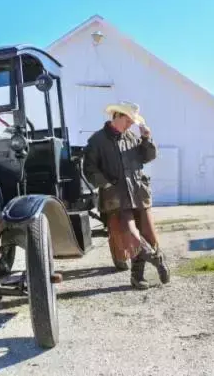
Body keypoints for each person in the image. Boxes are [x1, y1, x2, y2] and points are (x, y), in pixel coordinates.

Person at [83, 101, 170, 289]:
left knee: (148, 234)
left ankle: (136, 277)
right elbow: (89, 168)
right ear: (117, 116)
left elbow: (147, 157)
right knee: (132, 237)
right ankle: (158, 259)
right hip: (116, 198)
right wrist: (105, 183)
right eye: (129, 120)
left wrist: (146, 139)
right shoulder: (97, 140)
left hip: (138, 193)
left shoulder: (130, 137)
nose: (131, 124)